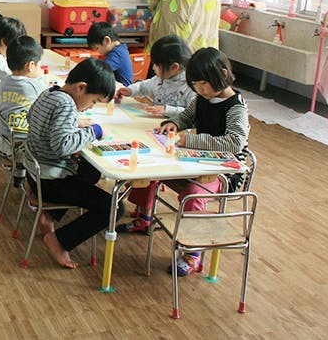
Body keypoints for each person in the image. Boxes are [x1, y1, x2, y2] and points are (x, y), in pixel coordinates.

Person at [151, 48, 248, 276]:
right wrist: (174, 123)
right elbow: (187, 116)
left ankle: (192, 253)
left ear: (222, 74)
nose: (199, 89)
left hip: (224, 173)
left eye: (203, 84)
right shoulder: (202, 98)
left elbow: (234, 143)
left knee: (192, 194)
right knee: (153, 170)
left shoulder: (236, 107)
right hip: (197, 163)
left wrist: (191, 140)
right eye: (195, 85)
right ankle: (144, 217)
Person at [26, 58, 123, 269]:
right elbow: (62, 146)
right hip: (51, 182)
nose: (90, 107)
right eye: (94, 101)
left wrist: (72, 122)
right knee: (114, 207)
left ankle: (50, 214)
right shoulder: (67, 105)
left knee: (91, 172)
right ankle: (60, 241)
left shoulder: (50, 93)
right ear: (81, 88)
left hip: (35, 175)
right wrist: (93, 131)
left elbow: (31, 117)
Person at [113, 35, 196, 234]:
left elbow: (192, 113)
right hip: (153, 131)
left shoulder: (190, 85)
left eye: (157, 65)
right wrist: (128, 90)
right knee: (142, 166)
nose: (155, 69)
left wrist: (167, 110)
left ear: (174, 67)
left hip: (174, 139)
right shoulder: (160, 79)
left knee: (150, 171)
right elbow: (144, 86)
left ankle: (144, 216)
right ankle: (143, 211)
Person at [0, 35, 46, 162]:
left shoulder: (5, 81)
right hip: (23, 148)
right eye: (39, 65)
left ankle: (18, 173)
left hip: (2, 141)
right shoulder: (34, 86)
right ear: (31, 65)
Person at [87, 21, 133, 87]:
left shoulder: (117, 54)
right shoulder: (120, 49)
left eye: (97, 48)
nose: (98, 52)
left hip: (122, 90)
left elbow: (100, 71)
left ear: (107, 41)